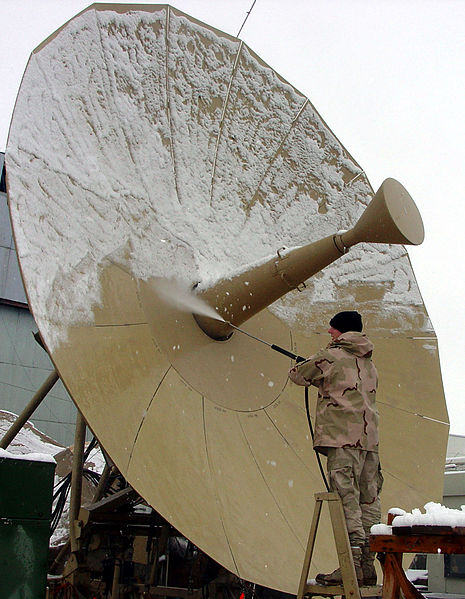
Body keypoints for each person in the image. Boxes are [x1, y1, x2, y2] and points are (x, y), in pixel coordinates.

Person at [288, 310, 382, 586]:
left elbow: (297, 375)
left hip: (342, 440)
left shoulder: (331, 356)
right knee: (369, 500)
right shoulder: (369, 364)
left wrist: (308, 364)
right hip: (369, 443)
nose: (329, 333)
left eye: (332, 329)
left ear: (341, 330)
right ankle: (367, 565)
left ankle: (350, 566)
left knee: (345, 500)